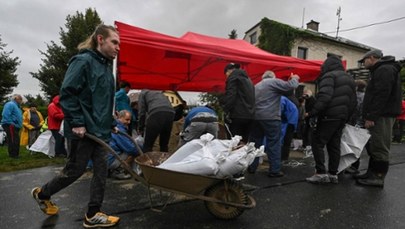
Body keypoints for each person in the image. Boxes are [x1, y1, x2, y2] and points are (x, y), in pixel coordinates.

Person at [31, 24, 121, 228]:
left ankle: (93, 213)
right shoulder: (83, 61)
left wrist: (111, 122)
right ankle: (42, 193)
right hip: (83, 131)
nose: (118, 47)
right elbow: (68, 94)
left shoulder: (107, 69)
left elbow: (103, 102)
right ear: (100, 39)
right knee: (75, 170)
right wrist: (78, 122)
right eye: (114, 42)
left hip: (100, 131)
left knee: (101, 171)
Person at [306, 55, 356, 184]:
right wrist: (346, 117)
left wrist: (312, 113)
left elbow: (324, 97)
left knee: (317, 142)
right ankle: (333, 174)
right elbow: (353, 102)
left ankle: (321, 173)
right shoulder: (349, 79)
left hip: (329, 116)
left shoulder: (329, 76)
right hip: (341, 117)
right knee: (334, 145)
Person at [355, 50, 402, 188]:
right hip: (381, 114)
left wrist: (371, 116)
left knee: (380, 145)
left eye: (364, 61)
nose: (363, 64)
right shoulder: (382, 69)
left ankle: (378, 177)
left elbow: (382, 95)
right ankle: (371, 173)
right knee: (375, 145)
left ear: (371, 58)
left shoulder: (384, 70)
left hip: (382, 115)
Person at [248, 71, 300, 176]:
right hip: (271, 117)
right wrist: (295, 78)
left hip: (257, 118)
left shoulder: (257, 85)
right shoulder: (273, 82)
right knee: (274, 143)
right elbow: (291, 86)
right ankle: (274, 170)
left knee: (255, 144)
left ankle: (252, 167)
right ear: (273, 77)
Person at [219, 63, 255, 143]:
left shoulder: (233, 77)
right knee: (245, 142)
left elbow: (231, 95)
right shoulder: (248, 79)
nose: (227, 77)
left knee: (234, 142)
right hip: (250, 115)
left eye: (226, 75)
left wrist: (225, 109)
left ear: (228, 71)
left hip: (237, 115)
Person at [108, 110, 140, 180]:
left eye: (130, 120)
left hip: (105, 158)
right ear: (120, 117)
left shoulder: (115, 126)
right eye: (127, 120)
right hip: (110, 160)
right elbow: (130, 149)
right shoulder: (118, 129)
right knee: (133, 152)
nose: (129, 122)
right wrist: (142, 150)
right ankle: (117, 171)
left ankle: (110, 170)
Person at [345, 79, 367, 174]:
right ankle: (355, 166)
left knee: (348, 144)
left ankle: (349, 165)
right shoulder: (366, 97)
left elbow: (351, 110)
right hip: (361, 125)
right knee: (357, 146)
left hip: (352, 123)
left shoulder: (353, 96)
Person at [1, 94, 23, 158]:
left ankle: (15, 154)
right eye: (20, 99)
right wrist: (12, 123)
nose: (21, 101)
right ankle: (13, 155)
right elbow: (5, 114)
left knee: (16, 139)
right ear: (16, 99)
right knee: (13, 139)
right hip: (10, 125)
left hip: (15, 125)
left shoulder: (17, 106)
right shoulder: (10, 104)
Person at [280, 96, 299, 162]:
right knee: (287, 140)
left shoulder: (282, 98)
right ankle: (284, 157)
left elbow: (281, 110)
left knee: (285, 139)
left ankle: (282, 158)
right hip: (292, 120)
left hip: (289, 120)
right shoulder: (291, 99)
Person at [301, 89, 316, 156]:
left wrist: (308, 114)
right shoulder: (308, 100)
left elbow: (315, 110)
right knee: (306, 132)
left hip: (311, 118)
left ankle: (308, 147)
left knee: (309, 133)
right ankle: (306, 146)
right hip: (308, 118)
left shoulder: (312, 100)